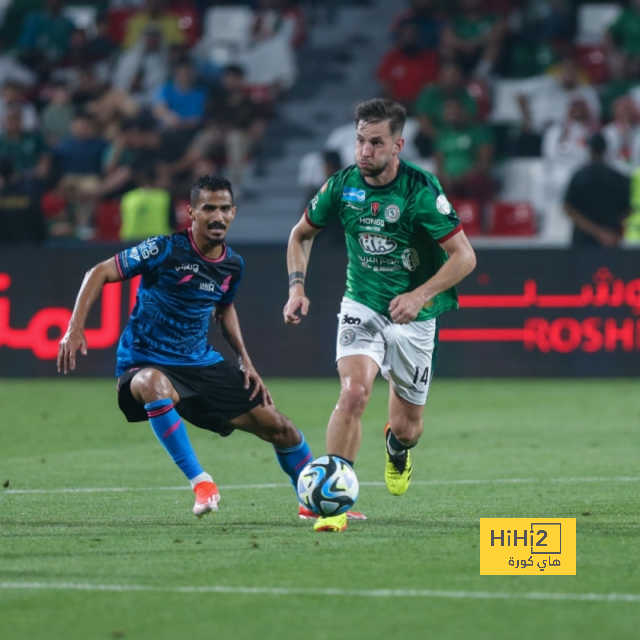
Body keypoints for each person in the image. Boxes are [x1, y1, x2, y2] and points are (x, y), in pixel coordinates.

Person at [57, 174, 363, 522]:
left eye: (224, 209)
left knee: (282, 428)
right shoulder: (164, 249)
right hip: (145, 360)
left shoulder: (233, 264)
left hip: (200, 365)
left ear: (233, 212)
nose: (217, 217)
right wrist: (74, 327)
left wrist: (246, 362)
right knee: (150, 384)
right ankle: (201, 483)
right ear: (191, 212)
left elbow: (224, 309)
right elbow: (98, 272)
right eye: (208, 208)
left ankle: (312, 502)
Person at [284, 99, 476, 532]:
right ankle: (329, 503)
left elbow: (464, 257)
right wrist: (297, 288)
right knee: (353, 393)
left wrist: (420, 295)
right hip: (363, 305)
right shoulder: (341, 186)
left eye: (375, 142)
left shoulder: (421, 191)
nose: (364, 151)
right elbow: (300, 235)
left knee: (409, 428)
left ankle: (396, 446)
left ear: (398, 145)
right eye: (359, 141)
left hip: (415, 316)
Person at [563, 133, 630, 248]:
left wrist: (597, 232)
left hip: (583, 243)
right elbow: (627, 210)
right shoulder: (618, 178)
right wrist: (608, 234)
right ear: (605, 150)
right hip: (611, 241)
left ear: (590, 150)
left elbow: (569, 209)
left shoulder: (579, 177)